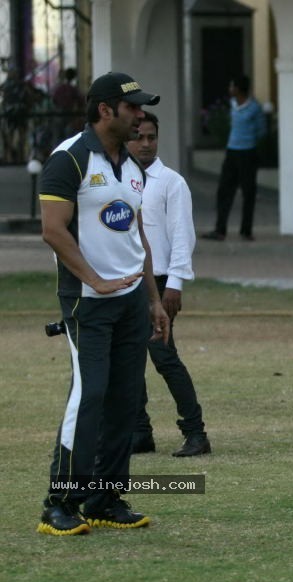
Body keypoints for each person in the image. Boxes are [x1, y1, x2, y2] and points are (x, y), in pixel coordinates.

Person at [35, 72, 169, 536]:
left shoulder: (132, 166)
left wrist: (153, 299)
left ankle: (104, 499)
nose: (140, 116)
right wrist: (95, 280)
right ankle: (58, 503)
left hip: (131, 302)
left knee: (125, 399)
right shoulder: (68, 159)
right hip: (87, 302)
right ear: (105, 110)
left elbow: (137, 235)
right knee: (88, 396)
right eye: (132, 108)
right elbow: (53, 231)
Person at [126, 111, 212, 458]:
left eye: (152, 137)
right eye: (139, 137)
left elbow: (182, 237)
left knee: (163, 356)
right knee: (129, 360)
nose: (146, 144)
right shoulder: (119, 180)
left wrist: (175, 284)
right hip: (127, 280)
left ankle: (195, 433)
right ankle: (140, 432)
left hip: (160, 281)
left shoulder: (171, 182)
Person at [202, 74, 266, 241]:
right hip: (232, 151)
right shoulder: (233, 104)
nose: (230, 89)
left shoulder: (254, 108)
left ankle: (246, 230)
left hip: (248, 152)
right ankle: (220, 229)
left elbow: (261, 130)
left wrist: (251, 141)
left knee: (248, 192)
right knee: (224, 190)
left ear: (238, 89)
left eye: (232, 86)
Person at [51, 67, 86, 138]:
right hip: (69, 114)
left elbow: (54, 100)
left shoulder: (59, 88)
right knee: (68, 135)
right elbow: (81, 102)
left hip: (59, 113)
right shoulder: (73, 89)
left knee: (58, 135)